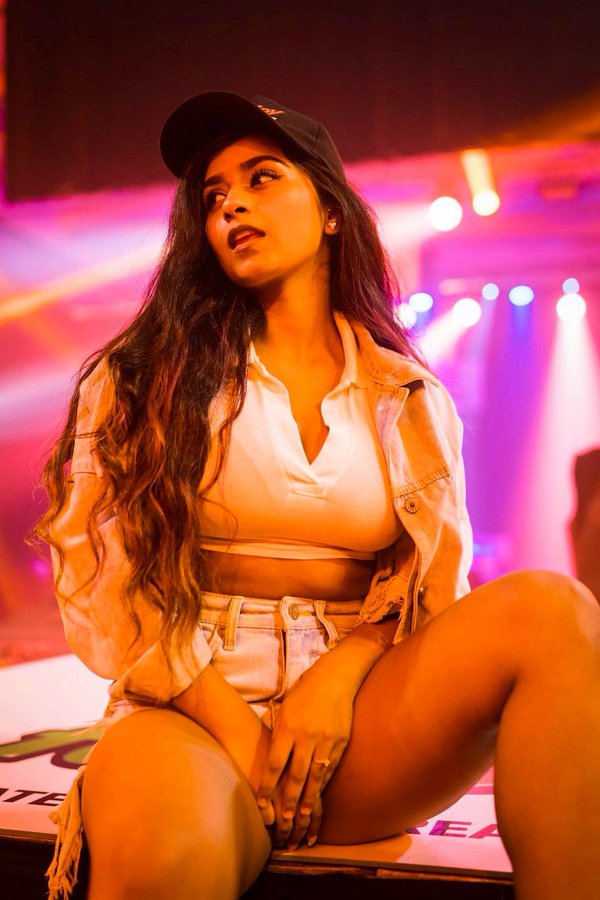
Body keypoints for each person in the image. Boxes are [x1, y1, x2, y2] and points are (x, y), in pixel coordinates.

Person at [35, 92, 600, 900]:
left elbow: (426, 587)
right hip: (191, 707)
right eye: (214, 196)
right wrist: (245, 739)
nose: (231, 205)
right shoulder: (141, 376)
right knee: (167, 863)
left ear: (331, 211)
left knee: (554, 609)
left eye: (261, 178)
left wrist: (343, 673)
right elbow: (108, 575)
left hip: (356, 720)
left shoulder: (406, 395)